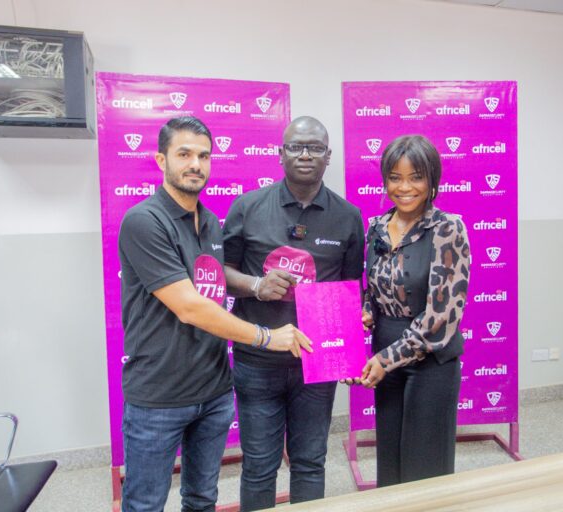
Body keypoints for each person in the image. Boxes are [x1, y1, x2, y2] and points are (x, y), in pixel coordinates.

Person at [118, 116, 312, 512]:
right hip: (159, 396)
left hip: (213, 391)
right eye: (184, 154)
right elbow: (189, 306)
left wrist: (256, 285)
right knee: (145, 505)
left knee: (203, 499)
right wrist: (266, 337)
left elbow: (213, 279)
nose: (195, 164)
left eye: (204, 156)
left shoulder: (208, 221)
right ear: (161, 160)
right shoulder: (144, 222)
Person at [223, 116, 365, 510]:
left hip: (316, 365)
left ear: (328, 156)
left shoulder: (348, 216)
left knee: (310, 463)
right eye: (296, 147)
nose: (305, 155)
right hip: (257, 359)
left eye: (315, 148)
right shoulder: (247, 207)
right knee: (258, 467)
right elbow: (221, 273)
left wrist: (349, 354)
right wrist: (256, 285)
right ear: (280, 154)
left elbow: (350, 290)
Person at [355, 134, 470, 487]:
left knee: (425, 468)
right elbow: (374, 289)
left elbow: (440, 317)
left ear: (432, 180)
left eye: (415, 177)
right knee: (390, 462)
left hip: (430, 359)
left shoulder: (447, 229)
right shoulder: (375, 227)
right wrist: (362, 315)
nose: (404, 188)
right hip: (385, 352)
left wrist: (386, 359)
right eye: (395, 177)